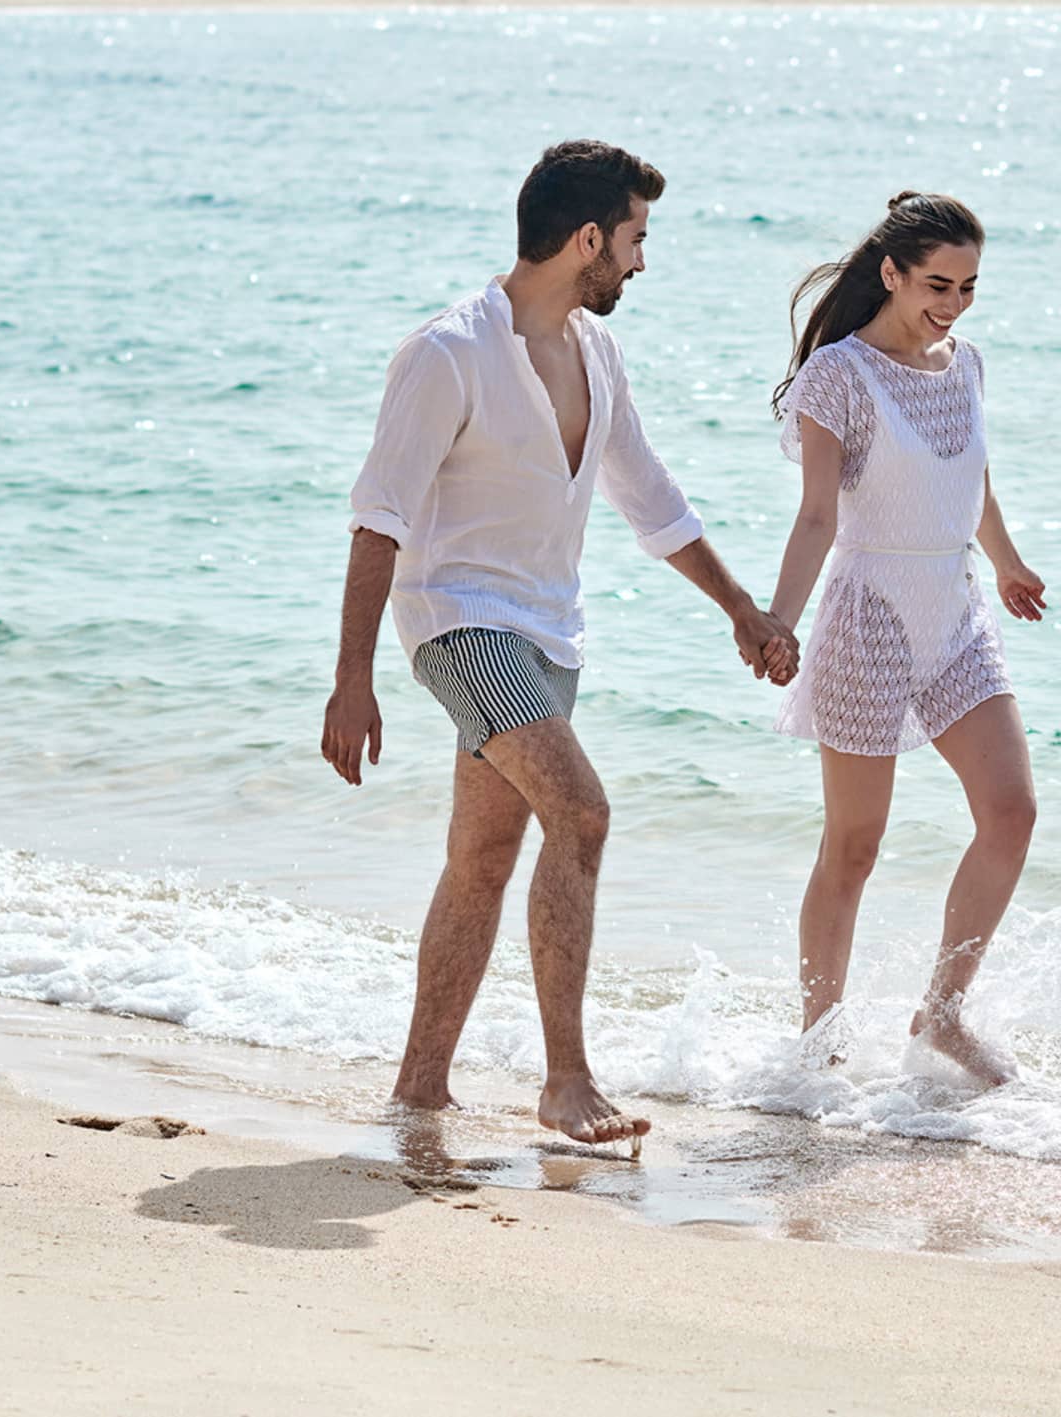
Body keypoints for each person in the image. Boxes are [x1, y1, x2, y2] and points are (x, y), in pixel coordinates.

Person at [321, 140, 797, 1146]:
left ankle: (420, 1085)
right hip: (458, 620)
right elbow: (380, 516)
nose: (639, 262)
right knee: (580, 813)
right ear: (588, 238)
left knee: (483, 857)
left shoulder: (595, 353)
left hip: (549, 635)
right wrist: (351, 677)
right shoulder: (448, 353)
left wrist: (743, 610)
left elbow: (651, 499)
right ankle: (566, 1079)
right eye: (633, 239)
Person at [766, 192, 1045, 1086]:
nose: (953, 303)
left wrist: (1005, 562)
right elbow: (815, 515)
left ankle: (944, 1014)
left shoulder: (966, 364)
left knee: (1012, 812)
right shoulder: (838, 377)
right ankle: (820, 1042)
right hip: (868, 611)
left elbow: (976, 484)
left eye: (967, 286)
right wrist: (776, 618)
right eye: (936, 283)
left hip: (956, 608)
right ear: (890, 272)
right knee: (855, 842)